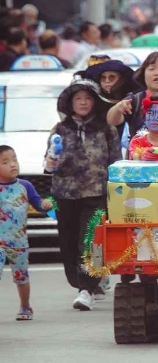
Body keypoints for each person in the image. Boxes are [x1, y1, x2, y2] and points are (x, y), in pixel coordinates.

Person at [45, 80, 121, 308]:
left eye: (88, 98)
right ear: (70, 103)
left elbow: (116, 161)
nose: (83, 102)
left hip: (96, 193)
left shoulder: (107, 128)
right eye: (78, 98)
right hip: (64, 194)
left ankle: (87, 287)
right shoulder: (59, 129)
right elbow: (48, 165)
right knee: (68, 242)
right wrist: (51, 161)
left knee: (91, 242)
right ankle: (80, 284)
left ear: (96, 102)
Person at [0, 146, 54, 320]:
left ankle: (25, 306)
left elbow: (38, 204)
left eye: (14, 159)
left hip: (19, 242)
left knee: (21, 276)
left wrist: (45, 205)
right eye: (5, 162)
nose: (13, 165)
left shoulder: (25, 186)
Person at [107, 52, 158, 140]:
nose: (157, 73)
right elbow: (112, 121)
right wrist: (118, 108)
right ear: (143, 74)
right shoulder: (135, 100)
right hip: (140, 152)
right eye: (151, 69)